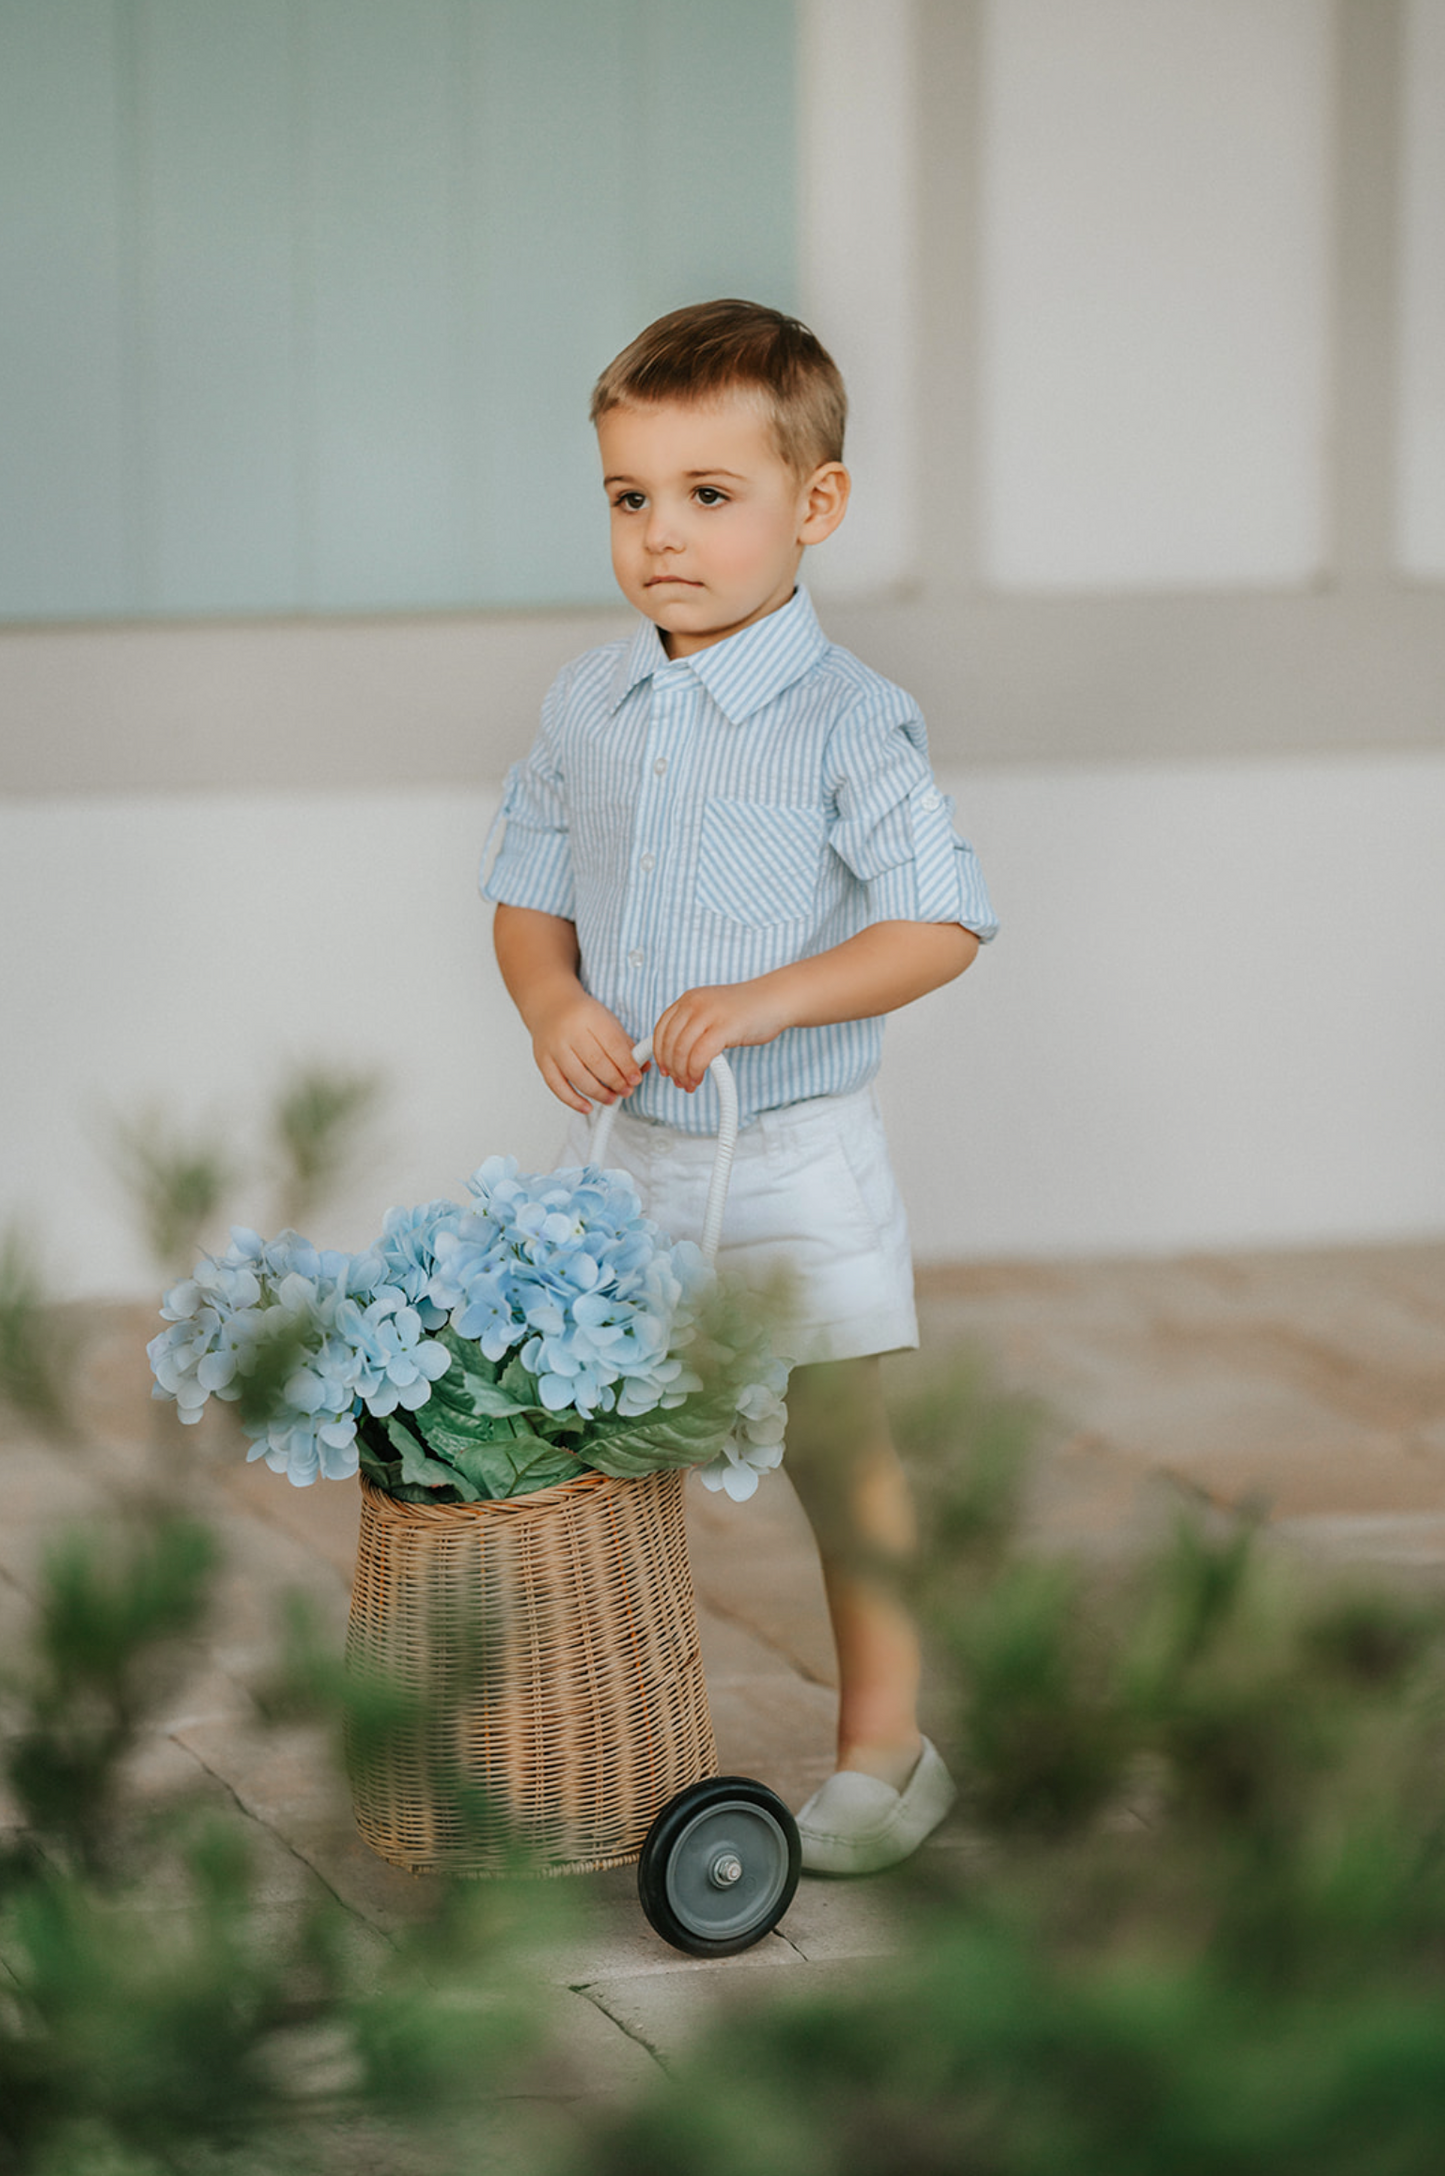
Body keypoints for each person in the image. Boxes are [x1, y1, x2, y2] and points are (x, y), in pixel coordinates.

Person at [483, 299, 997, 1874]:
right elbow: (527, 886)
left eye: (712, 496)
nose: (663, 537)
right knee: (590, 1439)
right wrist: (551, 996)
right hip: (636, 1148)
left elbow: (941, 920)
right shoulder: (590, 701)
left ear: (814, 506)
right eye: (631, 498)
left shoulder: (853, 720)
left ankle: (885, 1750)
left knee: (839, 1450)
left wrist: (773, 1000)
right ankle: (587, 1723)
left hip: (791, 1151)